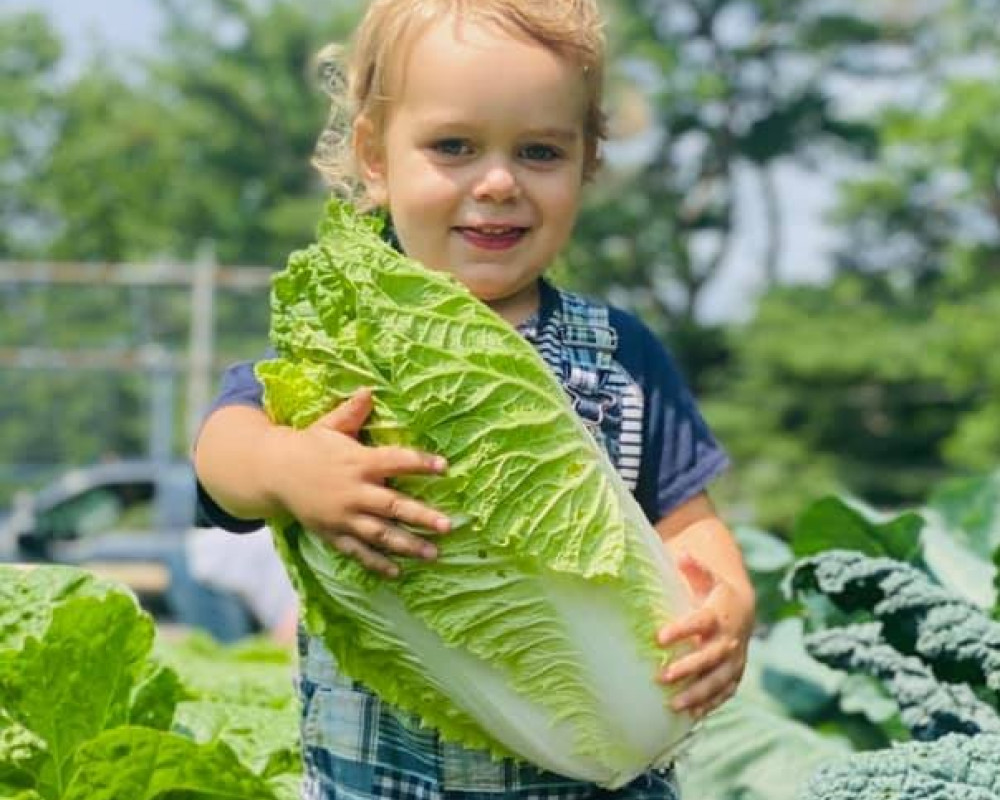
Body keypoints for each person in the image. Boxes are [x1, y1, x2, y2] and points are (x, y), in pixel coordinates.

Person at [193, 1, 756, 798]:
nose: (498, 182)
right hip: (380, 782)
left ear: (587, 162)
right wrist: (286, 468)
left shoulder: (624, 354)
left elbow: (689, 522)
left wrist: (725, 602)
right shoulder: (339, 340)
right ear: (375, 156)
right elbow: (222, 450)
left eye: (540, 152)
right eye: (453, 146)